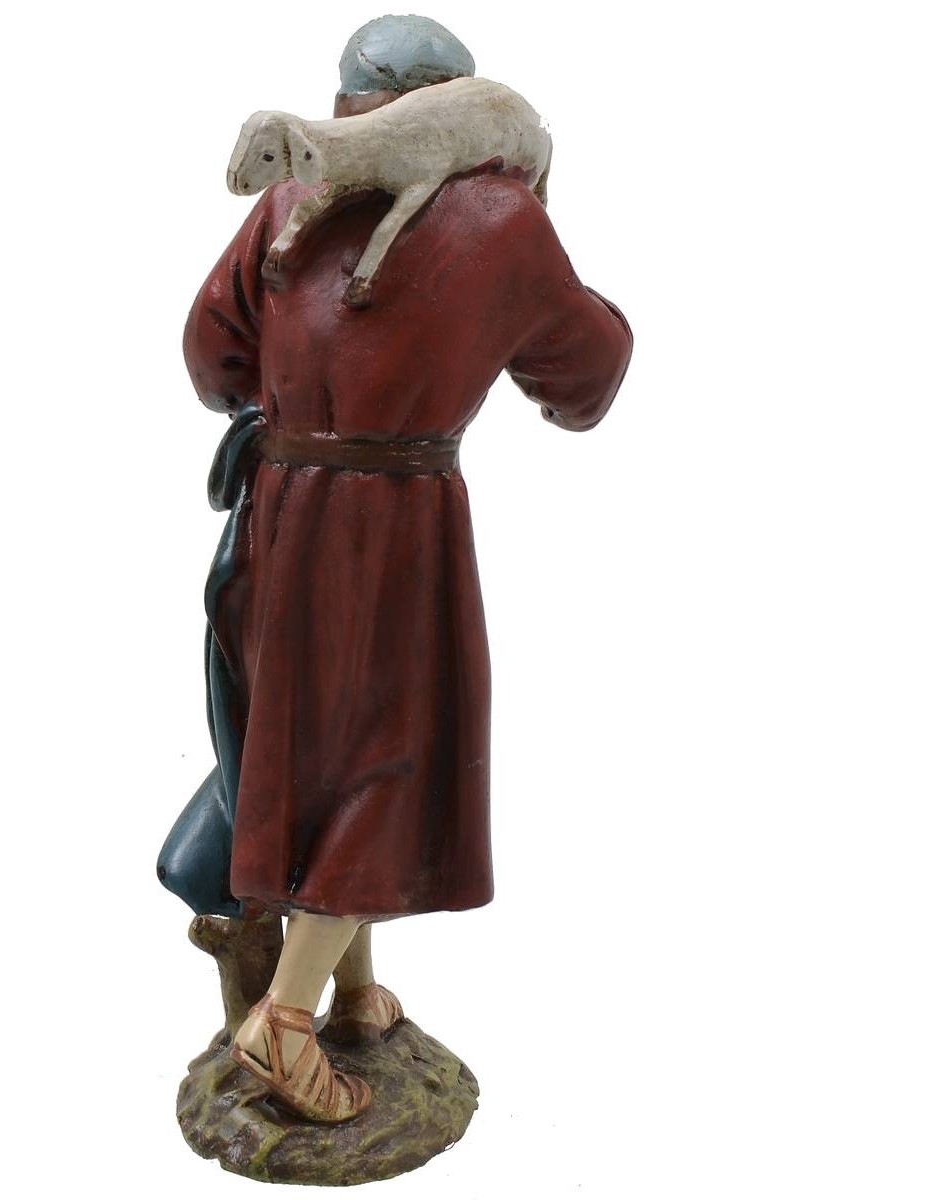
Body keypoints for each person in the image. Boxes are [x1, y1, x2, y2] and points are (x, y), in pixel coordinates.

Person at [175, 14, 632, 1122]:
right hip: (393, 528)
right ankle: (284, 1022)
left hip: (274, 516)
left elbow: (210, 354)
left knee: (307, 748)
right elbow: (586, 376)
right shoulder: (499, 217)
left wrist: (289, 398)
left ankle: (353, 990)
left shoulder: (291, 198)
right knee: (385, 759)